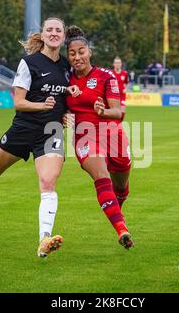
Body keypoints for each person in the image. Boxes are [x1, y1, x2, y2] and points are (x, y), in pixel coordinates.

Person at [0, 18, 75, 258]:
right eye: (49, 30)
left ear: (63, 37)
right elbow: (18, 102)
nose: (54, 33)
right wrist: (42, 105)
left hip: (51, 131)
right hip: (23, 128)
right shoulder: (29, 62)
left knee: (48, 183)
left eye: (58, 30)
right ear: (42, 35)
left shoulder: (67, 68)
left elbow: (67, 101)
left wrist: (65, 115)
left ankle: (44, 239)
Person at [65, 26, 134, 250]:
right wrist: (62, 115)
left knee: (121, 187)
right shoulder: (65, 79)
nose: (77, 57)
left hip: (112, 135)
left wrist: (103, 112)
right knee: (101, 175)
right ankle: (121, 230)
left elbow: (119, 112)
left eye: (81, 51)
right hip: (85, 137)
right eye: (72, 53)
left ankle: (117, 207)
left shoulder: (106, 76)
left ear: (90, 52)